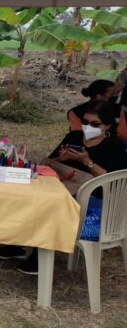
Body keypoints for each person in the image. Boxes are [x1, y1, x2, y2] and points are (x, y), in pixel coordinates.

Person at [12, 101, 127, 275]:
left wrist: (87, 162)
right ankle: (17, 242)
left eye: (95, 124)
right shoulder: (73, 137)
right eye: (85, 122)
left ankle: (39, 256)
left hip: (95, 202)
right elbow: (47, 164)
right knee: (30, 197)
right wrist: (62, 159)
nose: (88, 127)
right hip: (65, 188)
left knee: (49, 205)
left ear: (107, 125)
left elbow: (113, 181)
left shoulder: (115, 147)